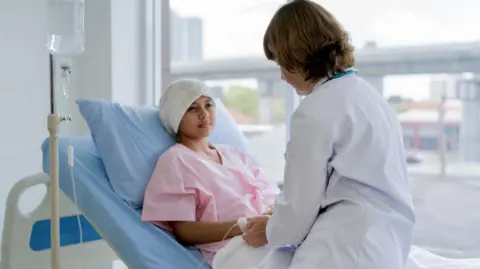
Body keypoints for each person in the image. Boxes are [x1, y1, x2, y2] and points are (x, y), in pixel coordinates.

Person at [242, 1, 416, 269]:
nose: (281, 76)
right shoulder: (370, 99)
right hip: (389, 247)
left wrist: (268, 228)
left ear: (298, 56)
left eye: (282, 63)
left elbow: (298, 212)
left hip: (342, 250)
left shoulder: (313, 112)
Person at [141, 78, 281, 266]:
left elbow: (272, 197)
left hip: (273, 233)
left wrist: (276, 218)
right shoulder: (175, 161)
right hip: (236, 248)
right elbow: (184, 231)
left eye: (209, 105)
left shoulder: (235, 154)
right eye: (192, 108)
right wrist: (243, 225)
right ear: (175, 116)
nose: (204, 114)